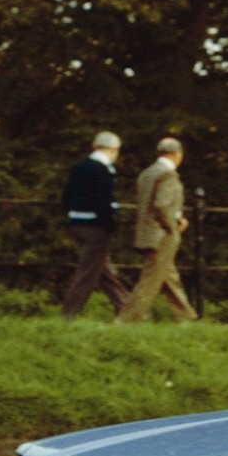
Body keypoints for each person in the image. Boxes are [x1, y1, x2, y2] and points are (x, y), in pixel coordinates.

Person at [116, 137, 197, 323]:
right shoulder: (168, 174)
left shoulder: (147, 173)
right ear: (178, 155)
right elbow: (161, 205)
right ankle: (125, 321)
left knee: (168, 276)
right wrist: (173, 225)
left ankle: (186, 317)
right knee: (150, 280)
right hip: (162, 234)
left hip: (147, 232)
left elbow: (151, 204)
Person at [59, 131, 131, 319]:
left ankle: (126, 307)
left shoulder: (78, 167)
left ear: (94, 146)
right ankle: (69, 314)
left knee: (103, 270)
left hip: (77, 223)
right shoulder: (103, 170)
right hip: (95, 227)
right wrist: (110, 224)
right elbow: (103, 203)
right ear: (114, 150)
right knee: (88, 273)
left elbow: (66, 198)